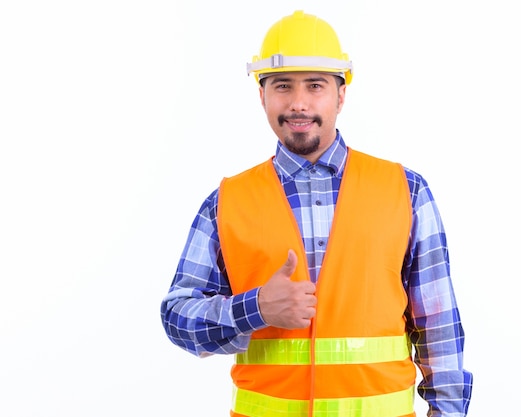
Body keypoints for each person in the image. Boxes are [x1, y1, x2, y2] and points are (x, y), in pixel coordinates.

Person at [160, 10, 473, 417]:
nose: (298, 103)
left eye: (315, 85)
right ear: (262, 95)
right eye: (282, 86)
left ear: (341, 94)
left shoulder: (407, 191)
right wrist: (254, 309)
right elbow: (176, 316)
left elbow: (438, 323)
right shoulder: (226, 202)